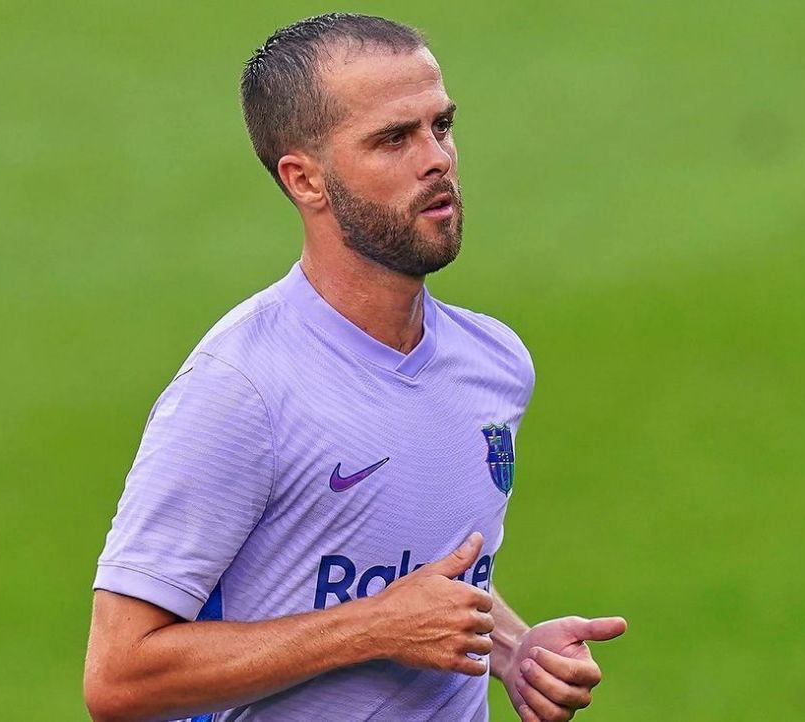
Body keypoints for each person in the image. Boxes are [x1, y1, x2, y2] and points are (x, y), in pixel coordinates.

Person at [84, 13, 625, 722]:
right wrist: (373, 629)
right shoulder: (242, 389)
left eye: (441, 126)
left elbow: (420, 577)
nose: (437, 160)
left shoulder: (492, 363)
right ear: (305, 180)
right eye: (394, 139)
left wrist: (515, 650)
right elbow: (119, 678)